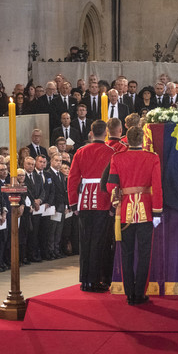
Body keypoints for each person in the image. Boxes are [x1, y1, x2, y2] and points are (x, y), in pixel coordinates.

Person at [106, 127, 162, 305]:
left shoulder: (117, 157)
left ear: (127, 140)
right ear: (143, 139)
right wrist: (157, 211)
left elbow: (110, 185)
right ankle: (140, 293)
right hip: (146, 210)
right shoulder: (152, 157)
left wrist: (117, 197)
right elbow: (157, 186)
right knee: (145, 253)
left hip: (125, 211)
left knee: (127, 253)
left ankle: (129, 292)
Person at [67, 120, 116, 292]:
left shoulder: (80, 151)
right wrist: (113, 204)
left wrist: (73, 203)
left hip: (84, 200)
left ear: (91, 132)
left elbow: (72, 179)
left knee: (85, 241)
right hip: (103, 199)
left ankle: (85, 280)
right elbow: (112, 179)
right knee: (99, 242)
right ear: (106, 134)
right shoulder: (111, 152)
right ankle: (95, 280)